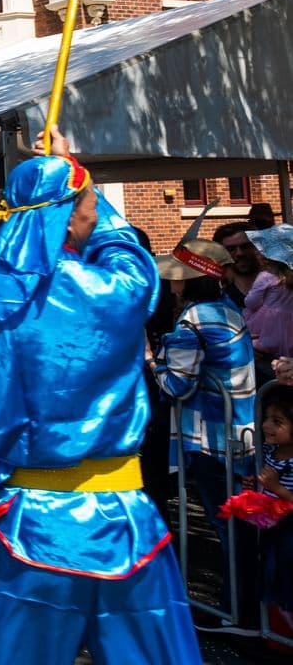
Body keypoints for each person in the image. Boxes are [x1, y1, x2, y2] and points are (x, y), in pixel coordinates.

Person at [0, 128, 199, 663]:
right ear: (73, 216)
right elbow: (126, 250)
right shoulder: (119, 292)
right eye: (88, 203)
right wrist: (77, 167)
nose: (95, 211)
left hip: (29, 526)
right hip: (128, 526)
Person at [151, 238, 257, 630]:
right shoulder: (227, 309)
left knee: (228, 524)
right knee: (236, 525)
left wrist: (154, 362)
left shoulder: (196, 318)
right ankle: (239, 607)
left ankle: (238, 613)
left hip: (212, 437)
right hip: (239, 431)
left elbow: (178, 384)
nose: (172, 284)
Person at [256, 385, 293, 616]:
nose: (266, 426)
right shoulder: (270, 452)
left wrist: (277, 488)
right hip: (272, 527)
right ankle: (277, 633)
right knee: (271, 573)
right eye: (267, 418)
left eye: (277, 422)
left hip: (290, 529)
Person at [244, 224, 293, 381]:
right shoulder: (288, 277)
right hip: (289, 325)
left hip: (267, 325)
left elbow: (251, 303)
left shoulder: (265, 276)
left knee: (258, 345)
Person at [214, 222, 259, 308]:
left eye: (245, 246)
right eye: (231, 249)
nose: (240, 253)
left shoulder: (282, 285)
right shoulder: (216, 293)